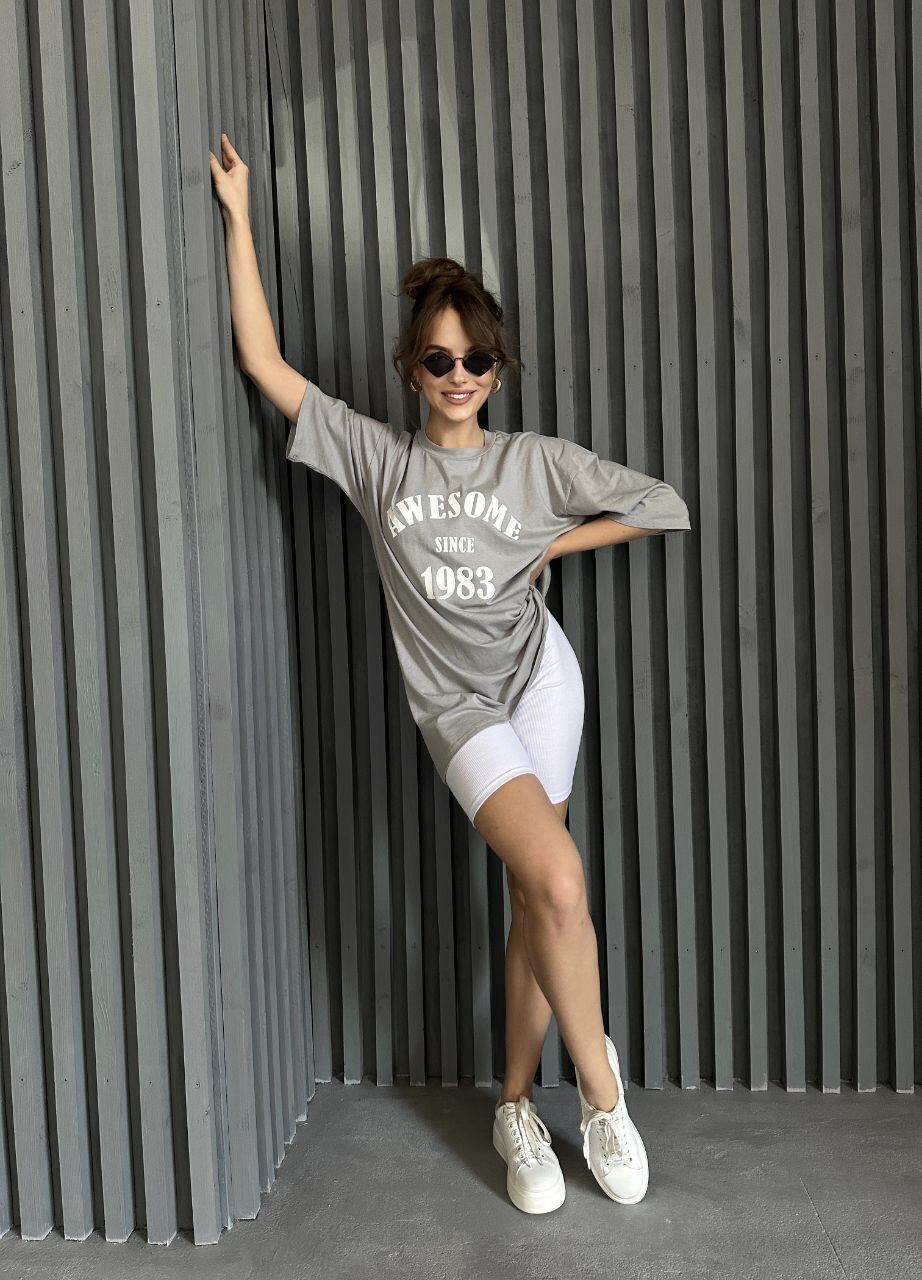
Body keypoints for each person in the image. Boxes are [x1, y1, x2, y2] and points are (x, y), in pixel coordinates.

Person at [210, 132, 692, 1215]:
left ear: (497, 370)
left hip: (541, 680)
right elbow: (265, 363)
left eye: (477, 361)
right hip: (456, 707)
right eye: (439, 361)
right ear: (410, 370)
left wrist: (550, 542)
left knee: (533, 894)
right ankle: (602, 1093)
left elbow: (662, 503)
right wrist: (239, 216)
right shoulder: (379, 462)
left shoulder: (533, 464)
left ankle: (515, 1107)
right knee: (557, 881)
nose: (460, 377)